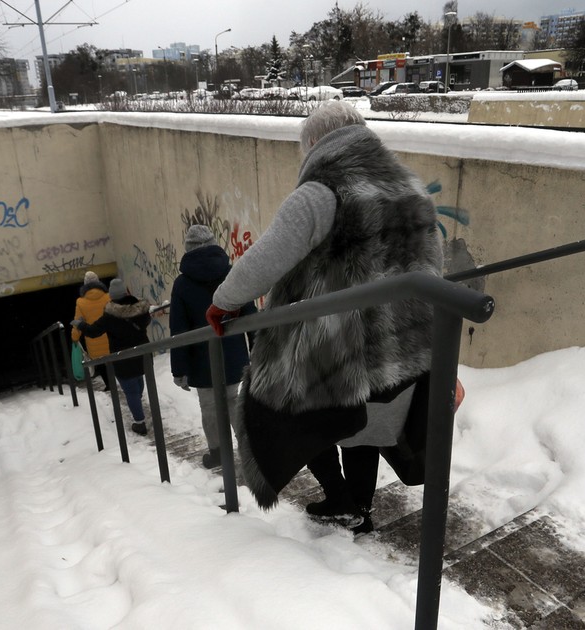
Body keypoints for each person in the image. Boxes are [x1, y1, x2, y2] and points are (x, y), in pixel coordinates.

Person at [205, 100, 444, 532]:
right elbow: (433, 264)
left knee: (297, 406)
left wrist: (224, 300)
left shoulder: (322, 191)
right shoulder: (410, 186)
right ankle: (358, 506)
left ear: (314, 145)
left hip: (344, 346)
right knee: (362, 425)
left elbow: (267, 258)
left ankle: (340, 497)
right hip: (401, 347)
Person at [169, 225, 257, 468]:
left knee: (208, 406)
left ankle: (217, 453)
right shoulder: (233, 274)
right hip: (232, 353)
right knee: (233, 400)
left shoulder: (182, 284)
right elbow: (250, 314)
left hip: (201, 358)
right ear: (213, 244)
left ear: (188, 249)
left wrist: (180, 369)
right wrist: (257, 349)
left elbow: (179, 329)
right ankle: (249, 452)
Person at [73, 279, 153, 436]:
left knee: (130, 391)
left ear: (112, 296)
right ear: (126, 292)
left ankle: (140, 423)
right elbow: (146, 320)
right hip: (142, 353)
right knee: (138, 379)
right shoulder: (142, 310)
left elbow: (94, 331)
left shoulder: (110, 315)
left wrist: (80, 324)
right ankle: (137, 402)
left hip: (122, 358)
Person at [71, 271, 111, 390]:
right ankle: (120, 380)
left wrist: (75, 337)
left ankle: (109, 384)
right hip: (110, 336)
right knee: (114, 359)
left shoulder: (81, 302)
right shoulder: (108, 297)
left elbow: (78, 322)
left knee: (101, 363)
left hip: (93, 338)